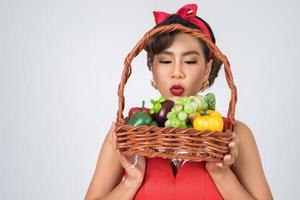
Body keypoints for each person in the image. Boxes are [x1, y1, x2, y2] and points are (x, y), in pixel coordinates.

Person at [85, 4, 273, 200]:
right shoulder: (127, 133)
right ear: (152, 66)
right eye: (166, 61)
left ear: (207, 69)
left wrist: (222, 175)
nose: (177, 72)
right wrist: (131, 181)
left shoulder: (233, 135)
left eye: (190, 61)